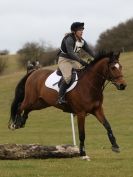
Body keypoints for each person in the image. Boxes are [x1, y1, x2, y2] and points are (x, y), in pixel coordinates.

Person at [57, 22, 95, 104]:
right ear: (74, 31)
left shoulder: (82, 41)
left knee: (85, 73)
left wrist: (98, 58)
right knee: (67, 78)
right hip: (64, 59)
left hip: (74, 60)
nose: (82, 32)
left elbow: (90, 51)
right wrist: (82, 62)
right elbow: (71, 53)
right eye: (80, 30)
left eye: (82, 30)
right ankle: (60, 97)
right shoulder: (69, 39)